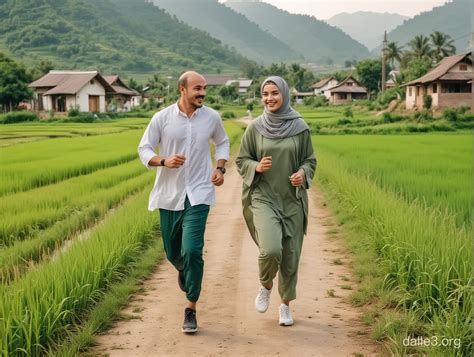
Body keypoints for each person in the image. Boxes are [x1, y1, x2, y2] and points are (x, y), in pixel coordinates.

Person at [138, 71, 230, 333]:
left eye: (203, 89)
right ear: (182, 90)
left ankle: (190, 308)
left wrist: (220, 169)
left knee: (192, 250)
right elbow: (144, 149)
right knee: (173, 252)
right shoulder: (162, 118)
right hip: (169, 194)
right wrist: (163, 160)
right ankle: (183, 269)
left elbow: (222, 142)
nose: (202, 93)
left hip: (199, 193)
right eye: (197, 89)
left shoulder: (211, 117)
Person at [236, 76, 316, 326]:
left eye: (274, 93)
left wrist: (302, 173)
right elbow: (241, 160)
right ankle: (266, 285)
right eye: (265, 94)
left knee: (291, 257)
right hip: (264, 197)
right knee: (271, 249)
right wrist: (256, 166)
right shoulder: (255, 128)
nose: (269, 98)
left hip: (292, 200)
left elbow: (310, 160)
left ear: (284, 95)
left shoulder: (300, 127)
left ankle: (285, 305)